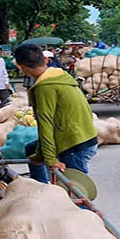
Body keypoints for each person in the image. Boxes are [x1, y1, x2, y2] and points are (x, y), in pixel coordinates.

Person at [13, 44, 98, 183]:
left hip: (74, 144)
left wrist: (51, 159)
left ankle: (61, 198)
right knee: (31, 148)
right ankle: (42, 188)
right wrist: (40, 155)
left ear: (20, 66)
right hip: (85, 136)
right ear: (44, 59)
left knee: (74, 191)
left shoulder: (45, 87)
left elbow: (45, 124)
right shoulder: (59, 75)